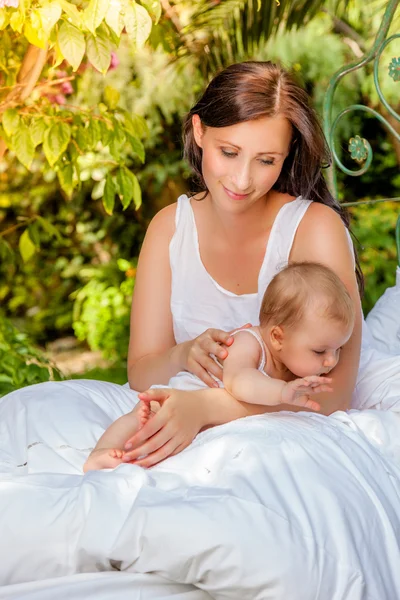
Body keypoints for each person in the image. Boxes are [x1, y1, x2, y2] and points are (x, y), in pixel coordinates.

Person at [118, 60, 365, 468]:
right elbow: (141, 372)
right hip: (179, 416)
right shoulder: (169, 229)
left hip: (283, 448)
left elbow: (333, 395)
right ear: (199, 131)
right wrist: (182, 356)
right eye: (229, 152)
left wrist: (207, 408)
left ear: (287, 158)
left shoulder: (315, 228)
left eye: (266, 160)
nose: (242, 179)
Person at [83, 262, 355, 471]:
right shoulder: (248, 343)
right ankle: (101, 453)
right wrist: (283, 392)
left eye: (338, 349)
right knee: (137, 419)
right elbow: (239, 382)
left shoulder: (292, 359)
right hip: (177, 396)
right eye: (320, 351)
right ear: (277, 337)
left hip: (200, 415)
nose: (331, 361)